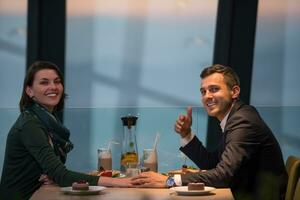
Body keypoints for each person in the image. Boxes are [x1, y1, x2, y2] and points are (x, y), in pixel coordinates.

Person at [132, 64, 288, 199]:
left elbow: (223, 175)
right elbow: (212, 163)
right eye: (203, 91)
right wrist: (186, 135)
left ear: (234, 92)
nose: (207, 96)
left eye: (214, 89)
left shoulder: (243, 120)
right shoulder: (235, 117)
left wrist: (169, 181)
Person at [0, 61, 133, 199]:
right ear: (29, 91)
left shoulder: (48, 121)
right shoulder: (29, 125)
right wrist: (120, 182)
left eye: (57, 82)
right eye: (44, 83)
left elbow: (57, 173)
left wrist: (54, 175)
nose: (53, 87)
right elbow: (62, 176)